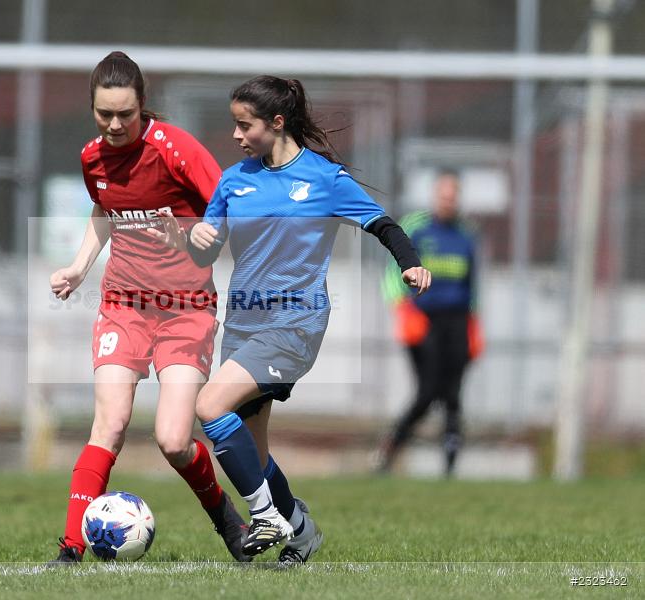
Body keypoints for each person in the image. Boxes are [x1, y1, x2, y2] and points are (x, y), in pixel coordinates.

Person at [148, 75, 431, 563]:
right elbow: (208, 250)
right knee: (252, 453)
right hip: (243, 324)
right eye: (234, 125)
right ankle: (300, 530)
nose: (236, 136)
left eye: (245, 125)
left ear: (277, 123)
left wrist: (409, 262)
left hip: (294, 324)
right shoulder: (235, 179)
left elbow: (383, 224)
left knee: (210, 406)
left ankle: (264, 517)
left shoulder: (323, 179)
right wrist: (186, 240)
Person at [46, 51, 249, 565]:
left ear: (144, 105)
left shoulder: (177, 149)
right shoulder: (93, 156)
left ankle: (227, 520)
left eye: (125, 114)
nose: (114, 125)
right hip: (123, 304)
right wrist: (78, 267)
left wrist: (203, 234)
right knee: (109, 423)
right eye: (104, 114)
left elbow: (227, 206)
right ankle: (70, 549)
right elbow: (104, 208)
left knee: (173, 439)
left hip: (186, 309)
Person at [376, 169, 483, 476]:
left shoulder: (466, 233)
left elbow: (472, 283)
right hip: (424, 320)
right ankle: (390, 448)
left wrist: (474, 323)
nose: (448, 201)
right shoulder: (417, 227)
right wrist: (403, 310)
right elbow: (392, 273)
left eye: (454, 196)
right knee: (427, 393)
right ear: (436, 197)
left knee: (452, 394)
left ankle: (450, 465)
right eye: (444, 195)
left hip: (458, 320)